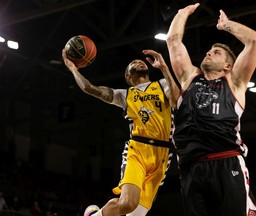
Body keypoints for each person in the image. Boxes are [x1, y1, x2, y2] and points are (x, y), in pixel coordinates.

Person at [165, 3, 256, 216]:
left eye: (216, 53)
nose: (209, 54)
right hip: (191, 168)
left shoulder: (234, 83)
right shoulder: (189, 79)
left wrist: (227, 25)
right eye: (209, 51)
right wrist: (182, 13)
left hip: (226, 161)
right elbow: (173, 41)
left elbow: (254, 41)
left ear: (227, 66)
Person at [62, 48, 179, 216]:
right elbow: (90, 88)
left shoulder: (162, 84)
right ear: (127, 76)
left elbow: (175, 99)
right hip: (137, 150)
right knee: (127, 204)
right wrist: (73, 68)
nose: (138, 62)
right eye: (133, 63)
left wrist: (164, 67)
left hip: (162, 155)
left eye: (140, 61)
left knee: (136, 214)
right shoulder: (125, 95)